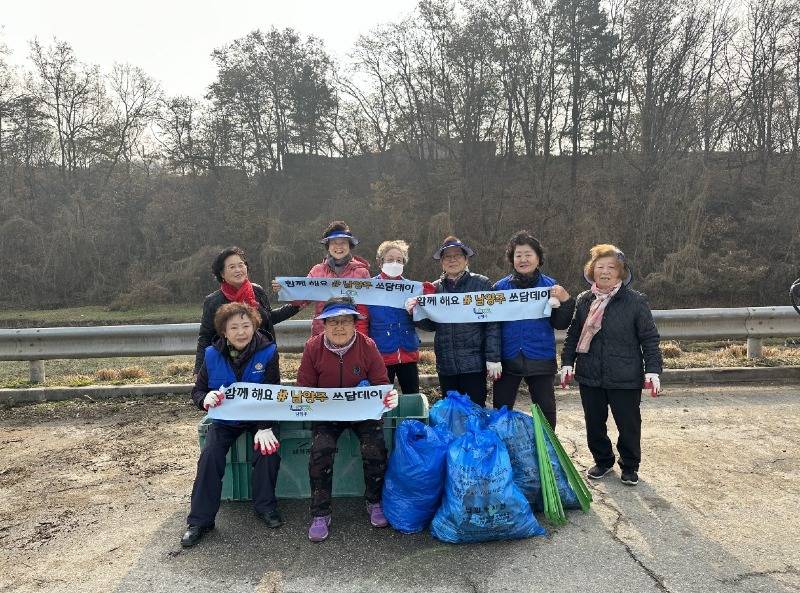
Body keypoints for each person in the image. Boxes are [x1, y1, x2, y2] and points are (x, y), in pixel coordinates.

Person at [296, 297, 398, 542]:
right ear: (323, 324)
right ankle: (320, 513)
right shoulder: (313, 347)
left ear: (355, 323)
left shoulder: (367, 345)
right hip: (327, 414)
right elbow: (304, 387)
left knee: (375, 448)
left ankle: (374, 501)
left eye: (344, 321)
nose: (338, 327)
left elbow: (381, 382)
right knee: (320, 450)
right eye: (332, 321)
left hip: (362, 412)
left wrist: (385, 396)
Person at [560, 244, 663, 486]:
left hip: (625, 375)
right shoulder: (585, 300)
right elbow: (574, 335)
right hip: (590, 373)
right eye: (599, 267)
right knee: (594, 422)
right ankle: (603, 460)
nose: (604, 272)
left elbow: (649, 338)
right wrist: (566, 363)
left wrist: (653, 370)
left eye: (611, 267)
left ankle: (629, 465)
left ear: (621, 272)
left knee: (628, 423)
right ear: (591, 271)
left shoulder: (636, 301)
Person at [182, 303, 283, 547]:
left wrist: (265, 426)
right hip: (226, 420)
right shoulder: (212, 354)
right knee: (209, 456)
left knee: (268, 451)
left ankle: (265, 507)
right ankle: (200, 520)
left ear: (255, 326)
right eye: (234, 327)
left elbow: (273, 392)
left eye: (246, 326)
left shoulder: (268, 351)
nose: (241, 332)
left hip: (260, 417)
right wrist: (204, 399)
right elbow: (198, 391)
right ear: (224, 332)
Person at [491, 231, 575, 428]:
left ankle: (547, 451)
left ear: (538, 258)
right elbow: (492, 326)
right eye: (518, 255)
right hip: (508, 357)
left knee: (546, 410)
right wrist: (493, 357)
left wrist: (566, 301)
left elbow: (560, 324)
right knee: (501, 411)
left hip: (540, 356)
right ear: (512, 259)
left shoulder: (551, 286)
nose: (523, 259)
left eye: (528, 254)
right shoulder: (499, 288)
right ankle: (502, 452)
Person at [408, 235, 501, 407]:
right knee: (451, 414)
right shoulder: (434, 288)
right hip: (446, 364)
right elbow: (431, 325)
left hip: (474, 364)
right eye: (447, 257)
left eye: (457, 256)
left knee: (475, 412)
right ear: (442, 262)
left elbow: (492, 323)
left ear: (466, 259)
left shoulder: (481, 284)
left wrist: (493, 357)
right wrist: (415, 313)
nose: (452, 260)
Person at [194, 246, 299, 376]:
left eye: (241, 265)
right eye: (232, 267)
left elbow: (268, 318)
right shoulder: (213, 301)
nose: (238, 270)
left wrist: (296, 305)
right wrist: (199, 369)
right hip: (229, 362)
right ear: (222, 274)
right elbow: (205, 336)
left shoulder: (257, 291)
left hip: (262, 358)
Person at [273, 220, 371, 337]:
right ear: (328, 246)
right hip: (322, 334)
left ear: (349, 245)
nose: (339, 247)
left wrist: (362, 335)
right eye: (334, 243)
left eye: (343, 243)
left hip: (352, 334)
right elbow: (303, 299)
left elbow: (368, 308)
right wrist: (285, 289)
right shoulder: (317, 271)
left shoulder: (362, 272)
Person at [367, 240, 426, 394]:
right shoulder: (369, 287)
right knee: (381, 398)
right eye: (390, 259)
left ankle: (411, 419)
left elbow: (423, 320)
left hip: (408, 351)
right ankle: (385, 420)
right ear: (380, 262)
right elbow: (362, 321)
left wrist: (417, 310)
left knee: (412, 395)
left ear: (404, 263)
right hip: (380, 353)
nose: (395, 263)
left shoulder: (413, 288)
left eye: (399, 260)